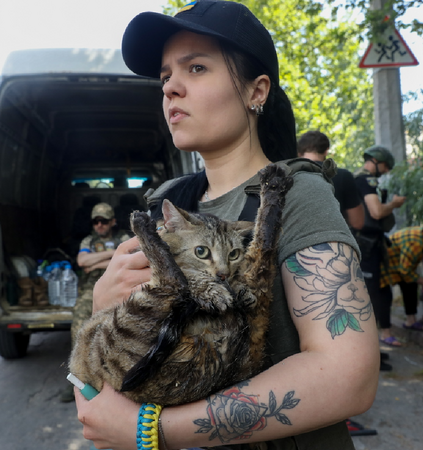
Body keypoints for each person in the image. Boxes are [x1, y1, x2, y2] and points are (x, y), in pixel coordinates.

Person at [74, 2, 380, 449]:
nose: (171, 88)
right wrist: (105, 301)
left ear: (256, 91)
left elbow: (348, 375)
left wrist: (152, 431)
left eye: (196, 68)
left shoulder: (294, 193)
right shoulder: (167, 204)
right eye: (164, 77)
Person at [60, 202, 131, 402]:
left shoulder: (123, 238)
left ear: (113, 222)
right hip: (91, 288)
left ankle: (121, 380)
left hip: (118, 285)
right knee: (79, 329)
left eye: (104, 221)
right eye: (96, 221)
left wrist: (96, 261)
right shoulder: (88, 240)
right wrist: (114, 254)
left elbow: (129, 260)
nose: (99, 225)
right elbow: (83, 263)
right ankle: (76, 380)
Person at [353, 145, 406, 348]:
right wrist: (393, 204)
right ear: (377, 162)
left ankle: (379, 338)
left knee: (379, 290)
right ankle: (369, 347)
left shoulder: (359, 179)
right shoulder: (366, 180)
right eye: (385, 167)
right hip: (366, 245)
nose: (385, 171)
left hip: (370, 244)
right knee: (371, 293)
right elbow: (375, 212)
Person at [297, 130, 364, 230]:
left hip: (297, 242)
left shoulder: (288, 176)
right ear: (326, 151)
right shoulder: (343, 176)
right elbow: (358, 222)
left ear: (299, 153)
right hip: (334, 240)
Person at [380, 226, 423, 331]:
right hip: (385, 262)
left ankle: (410, 321)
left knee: (411, 284)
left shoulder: (419, 235)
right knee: (384, 295)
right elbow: (405, 271)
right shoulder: (416, 244)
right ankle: (384, 329)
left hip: (400, 261)